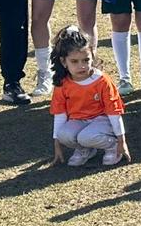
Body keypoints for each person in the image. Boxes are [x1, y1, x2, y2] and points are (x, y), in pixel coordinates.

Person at [49, 24, 129, 167]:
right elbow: (59, 114)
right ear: (63, 62)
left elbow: (114, 112)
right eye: (74, 61)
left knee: (86, 137)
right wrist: (57, 145)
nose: (82, 66)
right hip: (79, 120)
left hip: (102, 120)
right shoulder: (62, 83)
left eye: (86, 60)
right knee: (64, 134)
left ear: (92, 56)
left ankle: (113, 146)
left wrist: (121, 141)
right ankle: (85, 150)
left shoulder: (102, 80)